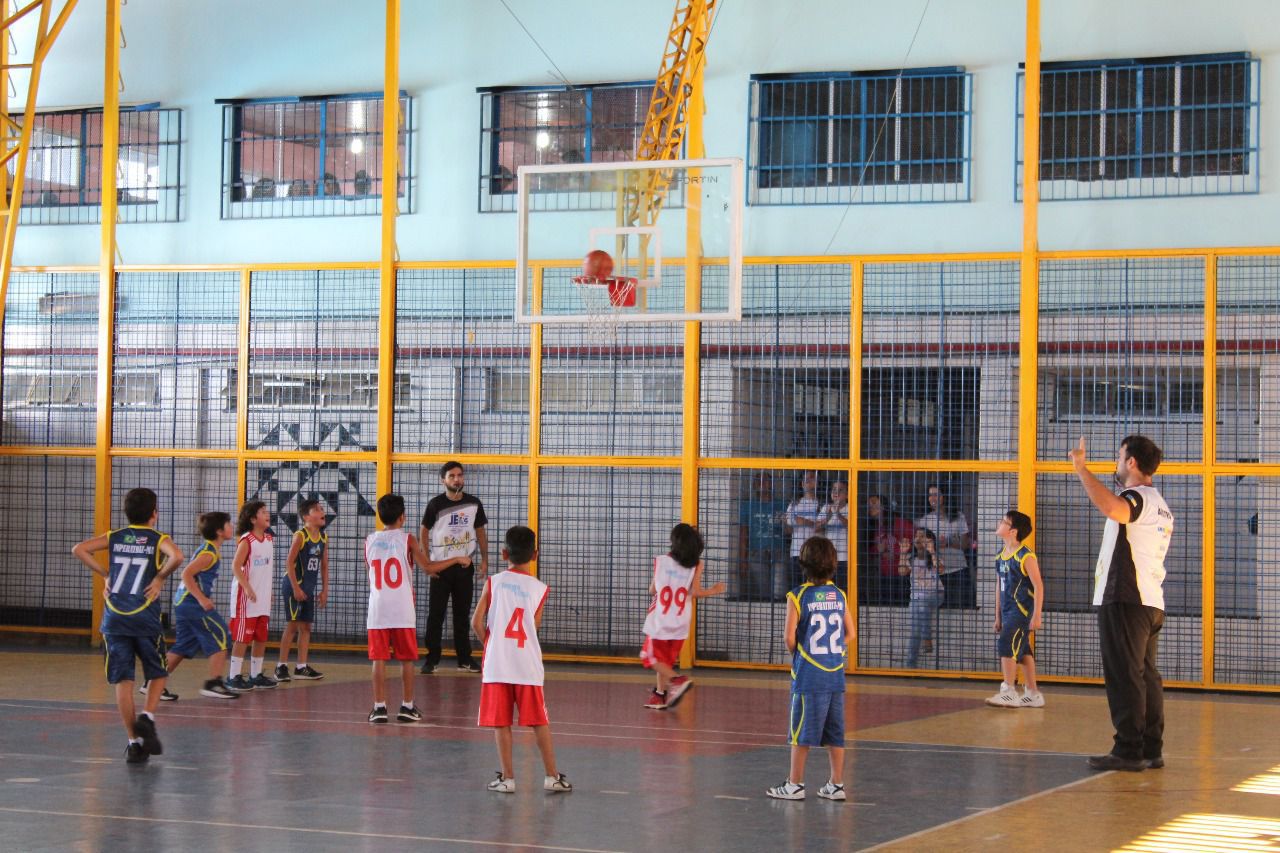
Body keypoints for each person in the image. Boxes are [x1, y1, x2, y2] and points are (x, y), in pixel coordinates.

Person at [1070, 435, 1173, 772]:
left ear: (1131, 462)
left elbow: (1112, 507)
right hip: (1149, 600)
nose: (1116, 462)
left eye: (1119, 456)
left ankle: (1129, 749)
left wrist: (1082, 470)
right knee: (1145, 676)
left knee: (1125, 675)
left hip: (1126, 598)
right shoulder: (1160, 503)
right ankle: (1150, 747)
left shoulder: (1135, 497)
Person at [72, 487, 184, 763]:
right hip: (144, 616)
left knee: (123, 680)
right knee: (157, 671)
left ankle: (133, 743)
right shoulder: (158, 539)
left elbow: (79, 549)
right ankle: (147, 716)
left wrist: (106, 574)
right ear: (154, 514)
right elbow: (178, 557)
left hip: (114, 618)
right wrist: (159, 578)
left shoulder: (115, 536)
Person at [471, 526, 571, 794]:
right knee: (539, 721)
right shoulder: (539, 589)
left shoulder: (493, 582)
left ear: (504, 553)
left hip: (497, 665)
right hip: (526, 665)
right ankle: (552, 776)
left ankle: (507, 778)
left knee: (501, 722)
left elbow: (476, 622)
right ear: (535, 554)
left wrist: (492, 646)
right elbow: (532, 628)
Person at [766, 536, 852, 802]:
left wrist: (800, 656)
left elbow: (788, 637)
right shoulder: (839, 594)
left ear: (803, 563)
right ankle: (836, 784)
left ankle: (795, 784)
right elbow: (851, 633)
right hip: (834, 673)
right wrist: (835, 649)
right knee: (835, 732)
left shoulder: (798, 595)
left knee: (800, 731)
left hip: (809, 675)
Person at [365, 493, 437, 724]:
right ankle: (407, 706)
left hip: (378, 607)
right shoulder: (408, 539)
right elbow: (427, 567)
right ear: (403, 517)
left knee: (378, 659)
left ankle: (379, 707)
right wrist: (457, 560)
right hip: (402, 607)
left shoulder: (370, 540)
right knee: (406, 659)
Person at [641, 523, 727, 710]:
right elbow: (694, 592)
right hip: (680, 623)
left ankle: (677, 680)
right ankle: (660, 695)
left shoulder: (661, 561)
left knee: (649, 658)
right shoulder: (696, 565)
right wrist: (714, 590)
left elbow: (652, 590)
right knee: (664, 661)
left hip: (660, 620)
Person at [162, 512, 240, 700]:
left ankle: (153, 682)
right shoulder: (208, 553)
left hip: (183, 603)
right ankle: (214, 683)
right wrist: (201, 598)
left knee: (183, 645)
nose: (232, 526)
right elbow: (186, 574)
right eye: (229, 524)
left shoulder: (209, 549)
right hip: (191, 603)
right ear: (220, 531)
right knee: (221, 633)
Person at [420, 461, 489, 674]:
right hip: (440, 569)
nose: (457, 479)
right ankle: (432, 659)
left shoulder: (474, 503)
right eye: (452, 475)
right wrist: (427, 563)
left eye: (460, 475)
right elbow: (423, 531)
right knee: (436, 615)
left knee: (462, 614)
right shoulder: (435, 504)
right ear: (444, 480)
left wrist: (484, 559)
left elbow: (479, 532)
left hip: (464, 567)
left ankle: (465, 659)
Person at [985, 511, 1045, 708]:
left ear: (1013, 531)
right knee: (1024, 651)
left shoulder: (1025, 555)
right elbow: (999, 586)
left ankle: (1009, 691)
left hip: (1021, 610)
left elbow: (1038, 585)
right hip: (1008, 611)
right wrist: (998, 616)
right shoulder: (1001, 556)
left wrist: (1037, 615)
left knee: (1006, 644)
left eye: (1004, 521)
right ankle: (1033, 693)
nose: (1000, 523)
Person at [275, 497, 329, 683]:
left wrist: (324, 590)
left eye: (322, 509)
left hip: (309, 588)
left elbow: (323, 565)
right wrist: (296, 588)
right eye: (317, 510)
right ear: (306, 517)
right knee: (292, 626)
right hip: (293, 585)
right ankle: (281, 666)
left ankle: (301, 667)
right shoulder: (301, 535)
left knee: (306, 627)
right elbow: (289, 563)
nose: (322, 512)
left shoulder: (323, 537)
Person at [226, 501, 277, 691]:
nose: (267, 514)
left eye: (267, 511)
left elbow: (267, 569)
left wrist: (268, 591)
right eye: (263, 512)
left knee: (261, 636)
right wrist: (246, 587)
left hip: (262, 597)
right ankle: (233, 676)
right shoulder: (247, 540)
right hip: (245, 598)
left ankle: (256, 675)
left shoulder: (269, 539)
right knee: (242, 638)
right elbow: (235, 565)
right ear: (253, 519)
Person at [915, 484, 972, 608]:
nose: (932, 498)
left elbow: (966, 544)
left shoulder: (958, 516)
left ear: (945, 497)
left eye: (936, 495)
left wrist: (948, 543)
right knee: (939, 610)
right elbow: (919, 548)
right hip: (935, 572)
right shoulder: (925, 520)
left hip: (958, 569)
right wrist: (933, 545)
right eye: (930, 495)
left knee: (960, 608)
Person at [735, 473, 789, 601]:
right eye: (758, 479)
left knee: (779, 594)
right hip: (756, 552)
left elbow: (789, 531)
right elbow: (743, 533)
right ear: (753, 485)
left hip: (779, 551)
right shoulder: (747, 506)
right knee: (762, 595)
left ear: (772, 484)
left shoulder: (782, 504)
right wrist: (742, 560)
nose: (761, 482)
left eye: (765, 480)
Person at [900, 529, 944, 668]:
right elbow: (901, 572)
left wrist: (932, 552)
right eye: (916, 536)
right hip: (916, 599)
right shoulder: (910, 559)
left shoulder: (935, 556)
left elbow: (940, 570)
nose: (918, 538)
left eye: (922, 536)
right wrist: (902, 552)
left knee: (923, 603)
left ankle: (927, 638)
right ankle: (910, 666)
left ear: (930, 540)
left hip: (935, 594)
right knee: (914, 632)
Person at [864, 494, 913, 606]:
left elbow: (914, 542)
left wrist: (894, 553)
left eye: (875, 503)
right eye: (869, 505)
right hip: (884, 575)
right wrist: (878, 549)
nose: (871, 506)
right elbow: (868, 549)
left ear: (884, 506)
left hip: (902, 574)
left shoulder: (899, 523)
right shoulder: (871, 526)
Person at [785, 471, 822, 589]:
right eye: (807, 479)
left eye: (813, 479)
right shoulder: (795, 503)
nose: (810, 482)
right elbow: (789, 525)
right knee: (797, 589)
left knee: (815, 588)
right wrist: (812, 523)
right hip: (797, 553)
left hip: (816, 554)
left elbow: (822, 526)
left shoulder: (822, 504)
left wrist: (802, 520)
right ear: (802, 484)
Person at [815, 480, 850, 591]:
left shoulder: (850, 508)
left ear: (848, 494)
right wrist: (828, 518)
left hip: (844, 557)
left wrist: (838, 514)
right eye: (834, 489)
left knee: (842, 588)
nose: (836, 492)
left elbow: (852, 526)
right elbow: (816, 528)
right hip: (828, 557)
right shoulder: (826, 508)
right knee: (828, 588)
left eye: (841, 490)